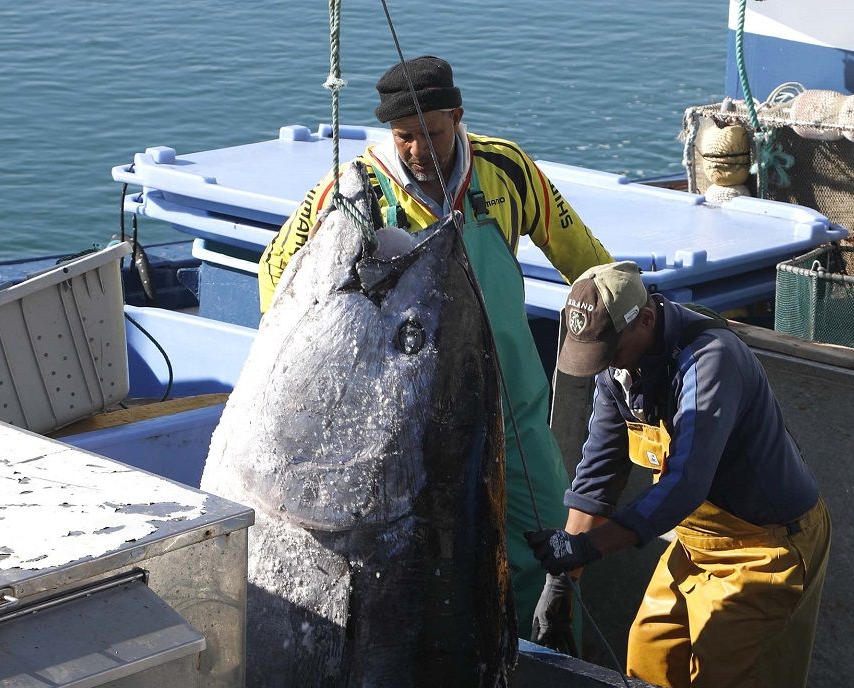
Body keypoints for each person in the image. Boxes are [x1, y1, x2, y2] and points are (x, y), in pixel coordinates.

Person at [258, 55, 612, 637]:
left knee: (551, 537)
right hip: (408, 415)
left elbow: (586, 260)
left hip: (512, 402)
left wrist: (632, 325)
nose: (420, 151)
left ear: (458, 116)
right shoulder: (352, 192)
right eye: (405, 138)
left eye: (433, 134)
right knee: (424, 559)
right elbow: (276, 277)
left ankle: (554, 668)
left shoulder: (507, 170)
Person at [526, 261, 832, 688]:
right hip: (696, 543)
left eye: (611, 348)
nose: (605, 364)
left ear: (644, 319)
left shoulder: (710, 358)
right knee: (649, 662)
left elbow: (686, 483)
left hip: (766, 551)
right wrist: (559, 582)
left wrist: (589, 553)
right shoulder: (619, 368)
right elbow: (597, 475)